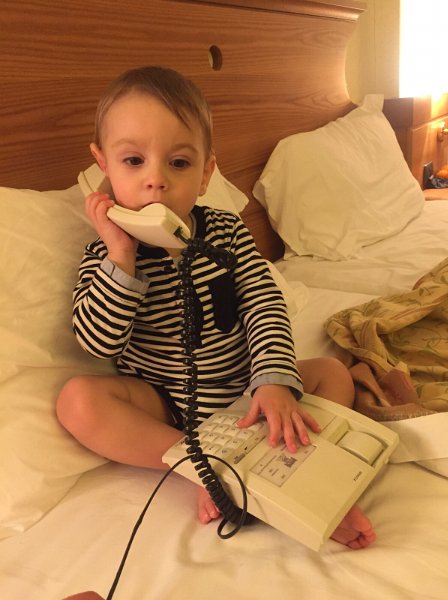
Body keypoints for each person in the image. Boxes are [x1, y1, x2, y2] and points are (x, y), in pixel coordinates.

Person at [56, 66, 375, 549]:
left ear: (206, 173)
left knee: (332, 372)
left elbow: (264, 301)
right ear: (104, 166)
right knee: (77, 401)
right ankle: (199, 467)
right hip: (165, 406)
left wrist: (272, 380)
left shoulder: (226, 232)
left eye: (179, 163)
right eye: (133, 161)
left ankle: (294, 469)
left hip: (248, 392)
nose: (155, 181)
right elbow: (98, 343)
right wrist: (121, 258)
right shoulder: (105, 254)